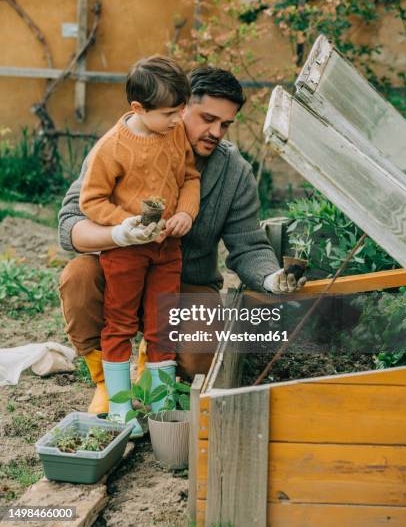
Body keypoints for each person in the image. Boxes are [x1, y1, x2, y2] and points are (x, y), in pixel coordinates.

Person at [59, 66, 305, 416]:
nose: (216, 132)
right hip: (121, 272)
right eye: (207, 119)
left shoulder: (233, 172)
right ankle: (105, 384)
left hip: (186, 282)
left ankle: (155, 369)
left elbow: (249, 244)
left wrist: (270, 278)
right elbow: (70, 222)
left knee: (201, 357)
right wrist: (118, 234)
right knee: (78, 277)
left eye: (226, 124)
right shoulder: (119, 145)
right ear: (181, 105)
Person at [76, 56, 200, 435]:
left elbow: (190, 176)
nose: (178, 120)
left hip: (167, 250)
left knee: (163, 323)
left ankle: (160, 407)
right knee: (121, 323)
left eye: (181, 110)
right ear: (138, 109)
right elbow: (91, 201)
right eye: (169, 113)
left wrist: (185, 213)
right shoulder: (111, 148)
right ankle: (119, 407)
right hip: (126, 251)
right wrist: (123, 225)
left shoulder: (175, 133)